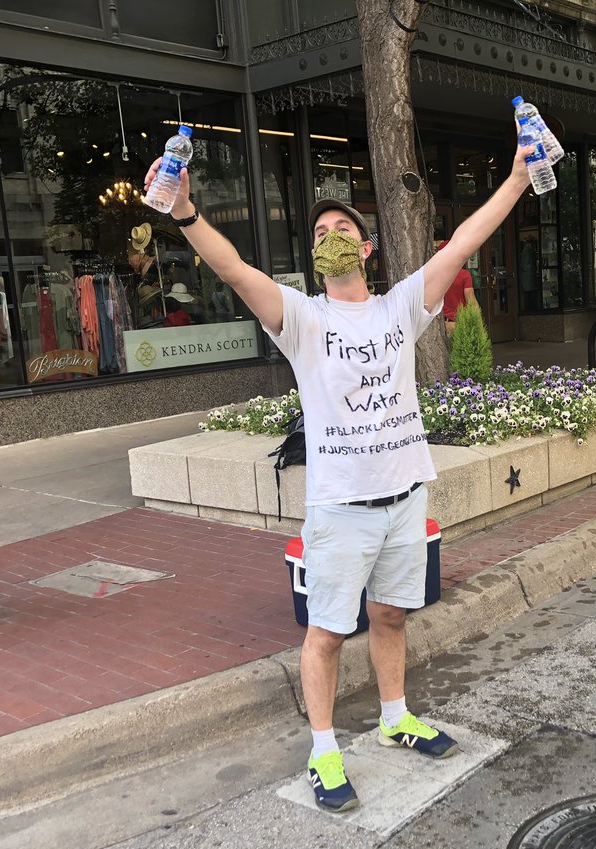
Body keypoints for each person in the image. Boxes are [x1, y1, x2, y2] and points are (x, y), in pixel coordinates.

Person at [146, 131, 533, 813]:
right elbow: (235, 270)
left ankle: (394, 716)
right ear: (315, 255)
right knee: (326, 632)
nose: (332, 235)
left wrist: (517, 180)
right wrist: (184, 212)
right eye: (321, 230)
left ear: (366, 247)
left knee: (389, 614)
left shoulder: (399, 308)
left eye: (343, 228)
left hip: (404, 496)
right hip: (341, 507)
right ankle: (324, 749)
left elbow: (463, 244)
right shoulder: (300, 318)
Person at [437, 239, 477, 335]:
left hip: (439, 325)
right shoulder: (464, 275)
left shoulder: (435, 276)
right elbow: (471, 301)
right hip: (459, 323)